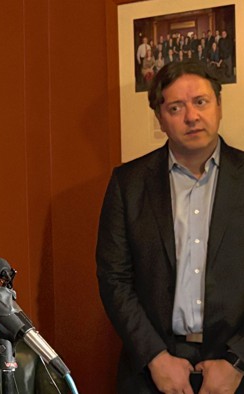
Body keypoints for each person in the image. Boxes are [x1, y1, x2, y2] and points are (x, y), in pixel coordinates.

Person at [97, 60, 244, 393]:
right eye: (176, 107)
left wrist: (238, 362)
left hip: (236, 369)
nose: (191, 116)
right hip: (151, 370)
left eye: (201, 102)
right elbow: (114, 278)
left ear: (219, 106)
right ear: (160, 119)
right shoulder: (129, 183)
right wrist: (155, 357)